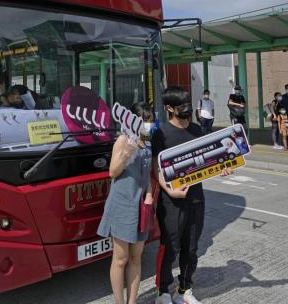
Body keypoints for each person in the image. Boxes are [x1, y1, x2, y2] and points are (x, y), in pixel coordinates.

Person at [154, 86, 232, 304]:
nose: (187, 108)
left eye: (188, 103)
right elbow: (156, 169)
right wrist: (169, 190)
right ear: (170, 108)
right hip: (171, 201)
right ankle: (162, 291)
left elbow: (209, 160)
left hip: (196, 198)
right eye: (182, 106)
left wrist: (223, 167)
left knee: (192, 248)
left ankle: (185, 290)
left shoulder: (198, 131)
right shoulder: (161, 133)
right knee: (170, 247)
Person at [97, 102, 153, 304]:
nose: (148, 125)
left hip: (141, 206)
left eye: (150, 121)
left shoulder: (147, 140)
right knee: (120, 259)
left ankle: (132, 301)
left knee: (136, 258)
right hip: (122, 204)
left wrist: (149, 194)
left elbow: (148, 173)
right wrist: (127, 152)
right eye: (145, 121)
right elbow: (112, 172)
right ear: (133, 121)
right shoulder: (122, 140)